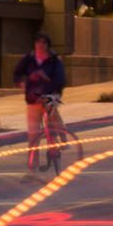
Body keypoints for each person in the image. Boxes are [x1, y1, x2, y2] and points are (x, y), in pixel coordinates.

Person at [18, 31, 72, 172]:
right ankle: (32, 169)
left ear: (48, 45)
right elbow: (17, 73)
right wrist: (21, 83)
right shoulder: (29, 60)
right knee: (33, 136)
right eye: (38, 42)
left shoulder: (54, 61)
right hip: (33, 99)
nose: (41, 45)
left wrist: (52, 89)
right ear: (34, 44)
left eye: (44, 42)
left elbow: (60, 79)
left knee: (52, 117)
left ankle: (61, 141)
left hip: (49, 95)